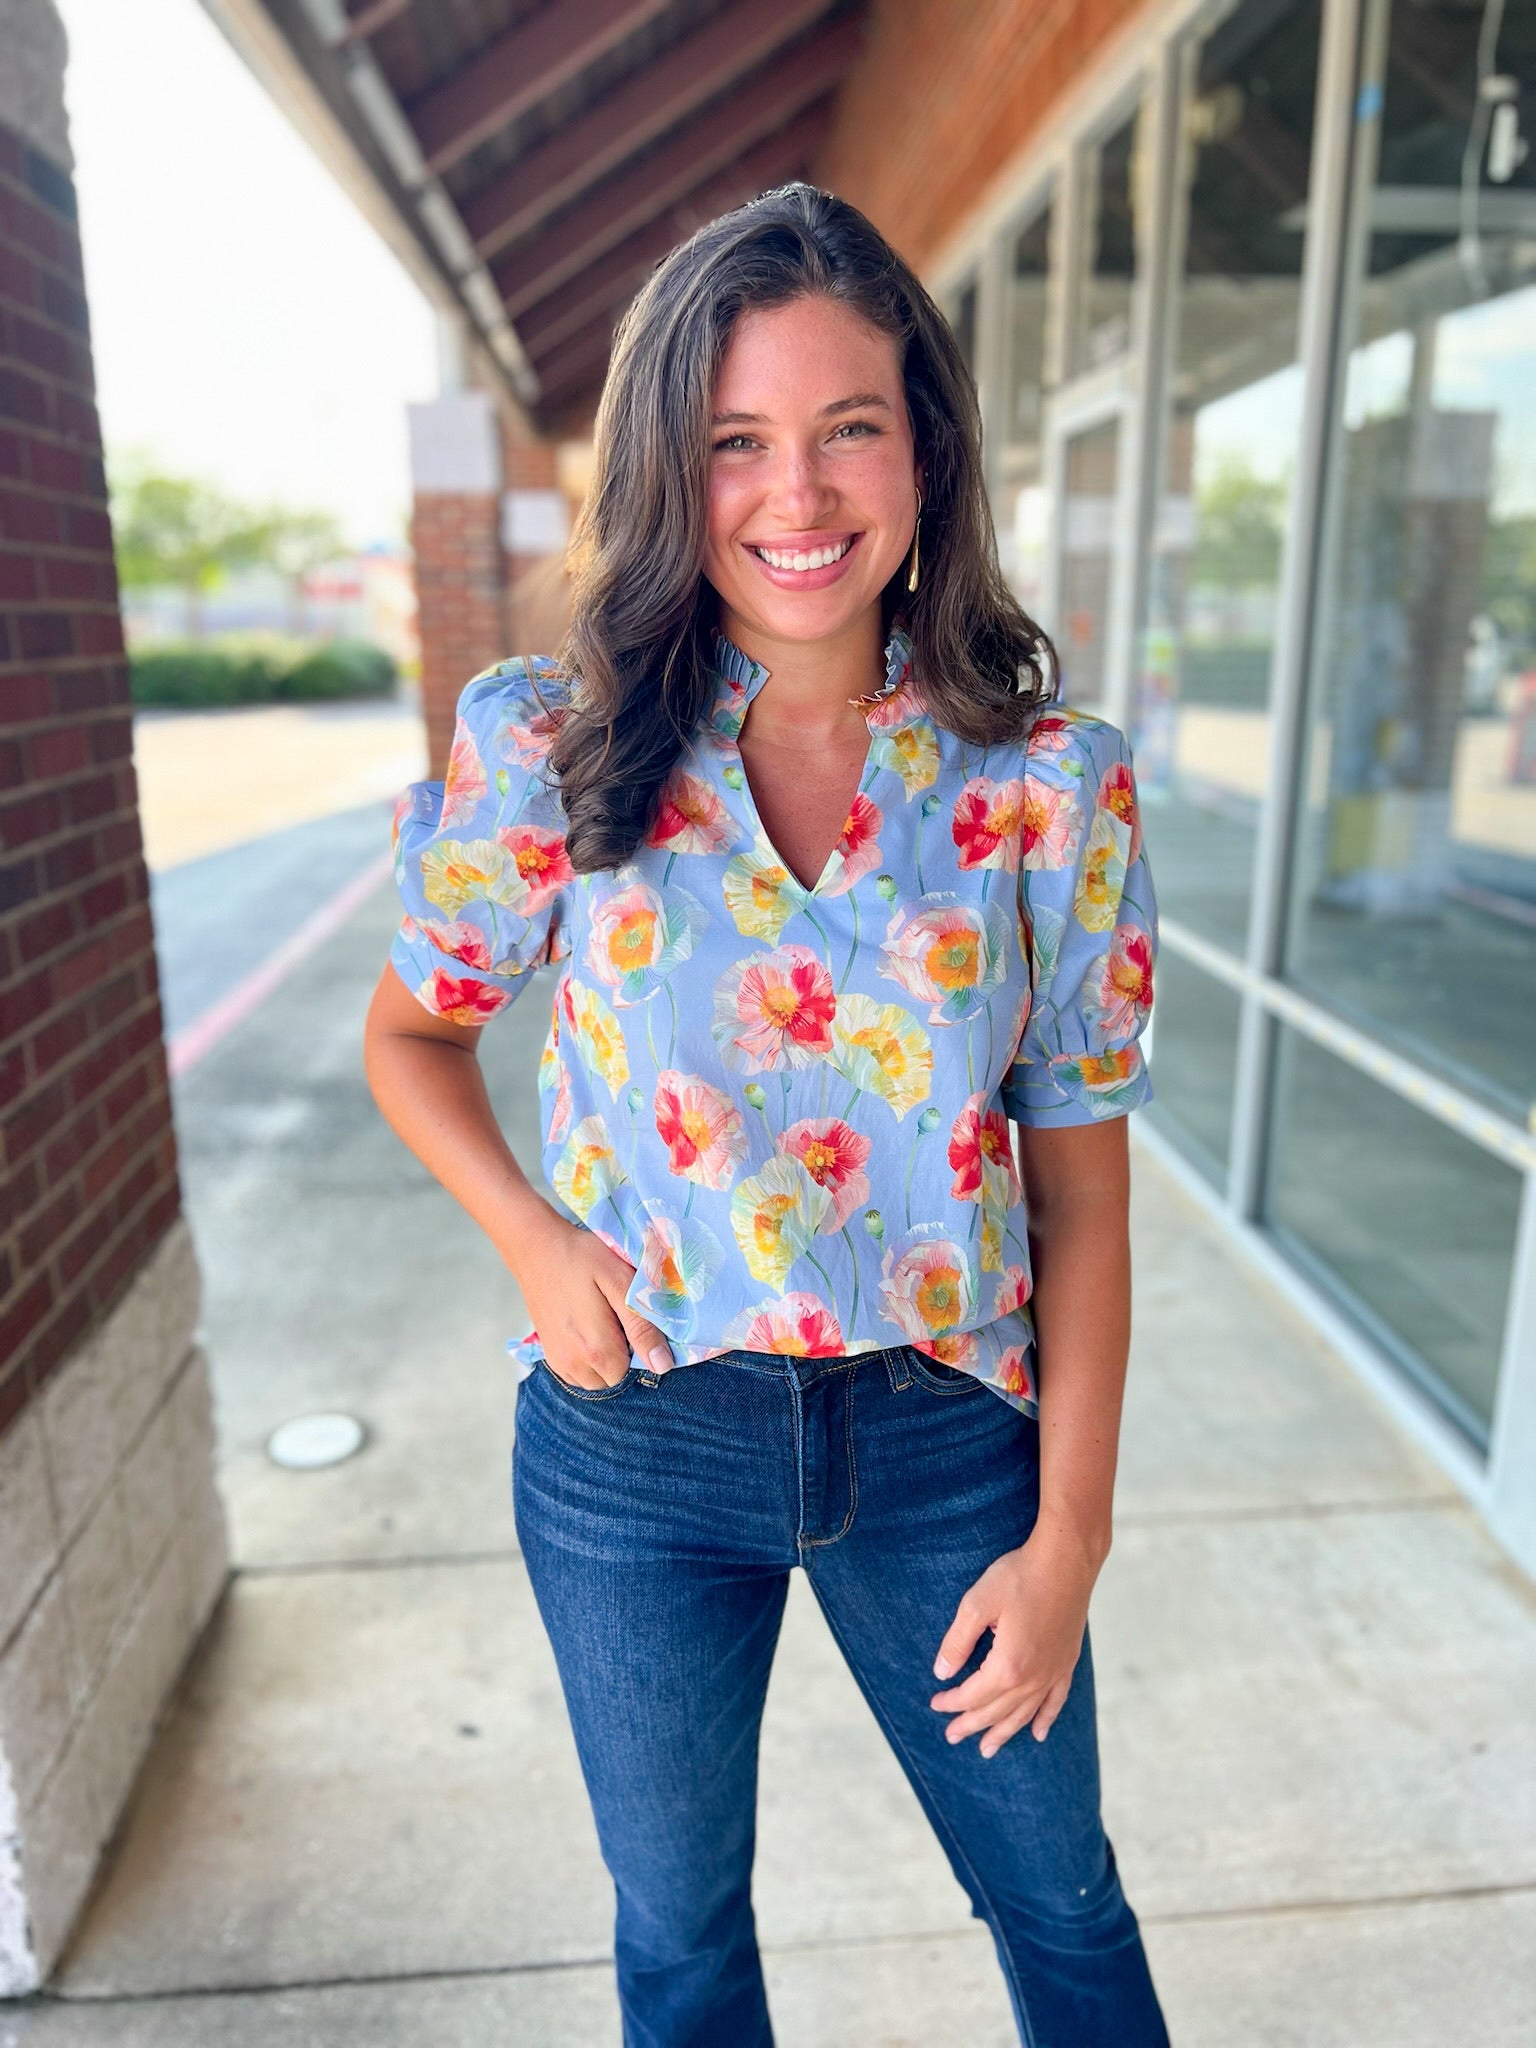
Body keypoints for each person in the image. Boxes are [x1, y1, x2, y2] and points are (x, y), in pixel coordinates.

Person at [364, 181, 1169, 2048]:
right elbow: (413, 1042)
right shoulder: (551, 746)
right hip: (634, 1453)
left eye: (846, 431)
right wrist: (538, 1245)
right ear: (669, 467)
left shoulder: (1050, 790)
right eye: (736, 443)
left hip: (950, 1451)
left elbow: (1088, 1212)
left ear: (924, 451)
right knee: (680, 1939)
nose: (795, 499)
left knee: (1063, 1911)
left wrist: (1071, 1545)